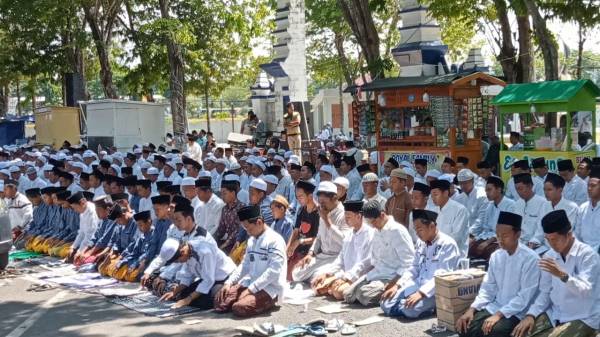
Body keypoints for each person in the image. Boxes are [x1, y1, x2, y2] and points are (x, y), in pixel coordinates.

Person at [512, 210, 600, 337]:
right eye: (548, 240)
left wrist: (562, 275)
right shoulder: (550, 256)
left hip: (585, 316)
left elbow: (586, 291)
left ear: (568, 234)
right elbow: (545, 292)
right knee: (521, 332)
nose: (551, 244)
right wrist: (531, 314)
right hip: (557, 313)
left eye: (555, 239)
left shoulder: (588, 255)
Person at [457, 211, 541, 337]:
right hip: (495, 305)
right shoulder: (496, 255)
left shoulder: (531, 259)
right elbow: (488, 287)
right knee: (466, 327)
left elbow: (524, 297)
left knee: (494, 332)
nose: (500, 240)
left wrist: (498, 315)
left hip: (517, 311)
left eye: (505, 235)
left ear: (517, 234)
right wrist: (472, 309)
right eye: (497, 235)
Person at [381, 209, 460, 318]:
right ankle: (404, 305)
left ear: (432, 226)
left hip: (435, 291)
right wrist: (397, 285)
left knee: (409, 310)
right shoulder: (420, 243)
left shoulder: (448, 244)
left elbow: (442, 277)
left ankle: (430, 308)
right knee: (385, 303)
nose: (417, 234)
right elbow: (413, 268)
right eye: (415, 230)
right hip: (417, 284)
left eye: (419, 229)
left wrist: (421, 293)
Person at [214, 205, 287, 317]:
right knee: (220, 300)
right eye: (245, 229)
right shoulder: (252, 241)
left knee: (239, 308)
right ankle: (243, 298)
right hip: (250, 282)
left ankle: (268, 302)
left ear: (259, 222)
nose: (248, 232)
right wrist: (229, 282)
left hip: (270, 287)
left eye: (249, 228)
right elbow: (245, 265)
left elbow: (274, 272)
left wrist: (250, 290)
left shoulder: (275, 240)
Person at [160, 203, 237, 310]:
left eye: (178, 261)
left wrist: (187, 300)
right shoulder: (187, 243)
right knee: (182, 294)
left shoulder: (204, 248)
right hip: (207, 277)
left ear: (182, 252)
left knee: (206, 302)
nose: (180, 263)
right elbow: (188, 274)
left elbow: (208, 280)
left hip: (222, 277)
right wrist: (175, 291)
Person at [342, 199, 414, 306]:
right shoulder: (376, 231)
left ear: (382, 215)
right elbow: (373, 259)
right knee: (347, 294)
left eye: (374, 222)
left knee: (363, 295)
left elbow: (409, 262)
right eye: (370, 223)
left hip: (392, 276)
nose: (373, 226)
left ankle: (397, 293)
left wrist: (395, 282)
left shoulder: (397, 230)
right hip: (377, 273)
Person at [310, 200, 374, 300]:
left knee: (338, 292)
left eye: (348, 216)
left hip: (361, 276)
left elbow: (364, 264)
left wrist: (346, 278)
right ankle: (333, 287)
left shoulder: (370, 235)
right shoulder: (349, 234)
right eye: (345, 216)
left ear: (359, 216)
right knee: (317, 286)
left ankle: (335, 288)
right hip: (346, 274)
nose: (346, 219)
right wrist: (327, 273)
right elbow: (340, 259)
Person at [292, 181, 349, 283]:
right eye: (320, 202)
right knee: (296, 272)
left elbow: (344, 241)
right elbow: (319, 237)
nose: (321, 205)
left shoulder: (344, 214)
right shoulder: (323, 210)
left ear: (334, 198)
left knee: (317, 277)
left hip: (337, 258)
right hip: (322, 256)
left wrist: (327, 221)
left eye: (324, 202)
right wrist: (310, 253)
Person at [469, 176, 515, 260]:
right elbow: (485, 228)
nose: (487, 193)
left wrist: (487, 242)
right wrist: (475, 239)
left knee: (492, 253)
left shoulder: (510, 205)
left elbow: (506, 231)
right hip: (488, 237)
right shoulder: (489, 205)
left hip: (502, 239)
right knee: (469, 246)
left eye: (489, 190)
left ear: (499, 189)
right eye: (486, 190)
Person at [286, 180, 319, 281]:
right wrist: (288, 247)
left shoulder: (318, 213)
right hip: (298, 249)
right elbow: (296, 231)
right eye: (297, 197)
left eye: (300, 196)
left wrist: (301, 241)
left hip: (310, 251)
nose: (298, 199)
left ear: (309, 196)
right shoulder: (301, 210)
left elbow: (319, 238)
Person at [428, 179, 470, 257]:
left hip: (454, 254)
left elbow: (456, 237)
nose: (433, 198)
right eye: (432, 195)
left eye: (436, 194)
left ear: (446, 193)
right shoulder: (433, 210)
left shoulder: (460, 210)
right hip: (435, 252)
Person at [512, 173, 548, 251]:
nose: (519, 192)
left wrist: (533, 242)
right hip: (519, 242)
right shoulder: (517, 204)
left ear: (530, 186)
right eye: (516, 189)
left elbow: (541, 229)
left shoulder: (543, 203)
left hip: (537, 244)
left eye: (521, 189)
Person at [454, 169, 488, 242]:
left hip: (480, 234)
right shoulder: (458, 198)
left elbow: (481, 220)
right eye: (461, 183)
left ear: (472, 181)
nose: (463, 186)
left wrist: (469, 233)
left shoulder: (481, 196)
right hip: (463, 234)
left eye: (465, 183)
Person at [67, 192, 99, 263]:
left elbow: (90, 236)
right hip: (85, 244)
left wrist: (80, 251)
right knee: (69, 253)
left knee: (82, 260)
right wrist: (73, 247)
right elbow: (81, 233)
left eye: (75, 208)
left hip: (94, 244)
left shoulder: (92, 212)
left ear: (82, 203)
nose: (75, 210)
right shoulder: (82, 211)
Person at [575, 166, 600, 252]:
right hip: (582, 250)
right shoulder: (583, 207)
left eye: (593, 186)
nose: (589, 188)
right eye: (588, 185)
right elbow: (577, 233)